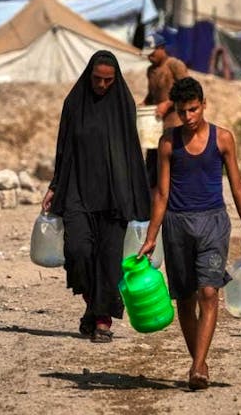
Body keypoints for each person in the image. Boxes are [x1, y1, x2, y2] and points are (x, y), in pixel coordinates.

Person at [137, 77, 241, 390]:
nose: (189, 117)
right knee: (186, 299)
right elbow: (161, 195)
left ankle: (196, 366)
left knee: (208, 292)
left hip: (213, 224)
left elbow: (237, 185)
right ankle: (199, 361)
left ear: (204, 105)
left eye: (194, 109)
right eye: (183, 111)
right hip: (177, 225)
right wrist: (151, 236)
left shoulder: (223, 139)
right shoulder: (167, 143)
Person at [42, 50, 150, 343]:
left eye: (108, 81)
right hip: (77, 190)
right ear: (89, 75)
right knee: (78, 252)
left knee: (109, 260)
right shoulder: (74, 104)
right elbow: (63, 149)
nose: (102, 85)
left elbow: (131, 151)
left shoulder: (123, 104)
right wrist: (54, 186)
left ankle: (101, 320)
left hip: (115, 194)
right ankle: (94, 306)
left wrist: (139, 194)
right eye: (98, 79)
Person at [142, 31, 189, 189]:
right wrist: (144, 103)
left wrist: (168, 104)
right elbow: (152, 95)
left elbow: (188, 90)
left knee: (174, 161)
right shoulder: (151, 71)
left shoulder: (175, 65)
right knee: (152, 163)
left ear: (161, 48)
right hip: (156, 124)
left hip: (174, 121)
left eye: (153, 52)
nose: (150, 57)